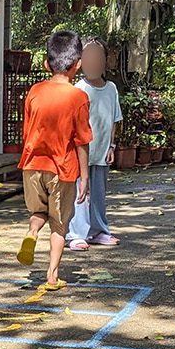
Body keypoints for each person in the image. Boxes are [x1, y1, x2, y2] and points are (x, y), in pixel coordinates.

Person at [17, 30, 91, 290]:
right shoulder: (78, 97)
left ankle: (32, 232)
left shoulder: (34, 92)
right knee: (60, 225)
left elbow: (27, 133)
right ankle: (52, 276)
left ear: (46, 64)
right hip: (63, 168)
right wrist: (85, 177)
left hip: (32, 164)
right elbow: (82, 141)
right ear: (78, 64)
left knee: (38, 212)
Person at [68, 37, 122, 249]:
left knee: (99, 194)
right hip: (80, 152)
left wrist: (112, 146)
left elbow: (114, 119)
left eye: (98, 58)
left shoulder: (111, 89)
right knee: (80, 194)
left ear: (105, 61)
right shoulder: (78, 89)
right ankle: (75, 234)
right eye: (88, 57)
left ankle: (98, 231)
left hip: (101, 151)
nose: (93, 63)